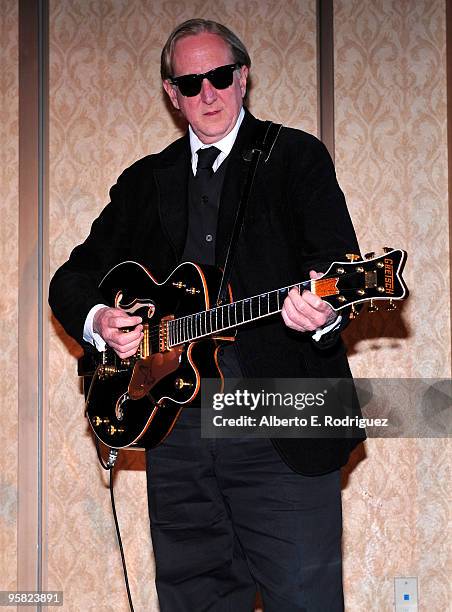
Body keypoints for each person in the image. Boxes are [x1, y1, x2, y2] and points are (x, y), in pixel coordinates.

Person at [49, 18, 364, 612]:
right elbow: (71, 279)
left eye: (220, 76)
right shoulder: (146, 181)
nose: (208, 93)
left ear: (243, 77)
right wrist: (98, 320)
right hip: (176, 433)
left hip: (281, 419)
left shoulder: (293, 156)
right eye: (190, 84)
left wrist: (319, 313)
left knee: (305, 599)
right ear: (172, 94)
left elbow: (336, 266)